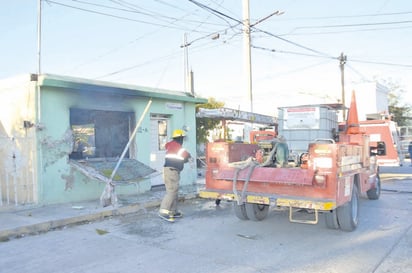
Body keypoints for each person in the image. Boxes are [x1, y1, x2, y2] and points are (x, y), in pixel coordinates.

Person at [158, 129, 192, 222]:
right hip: (171, 171)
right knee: (172, 191)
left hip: (173, 171)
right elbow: (185, 154)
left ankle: (173, 211)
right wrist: (189, 157)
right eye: (182, 138)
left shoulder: (172, 146)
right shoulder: (177, 147)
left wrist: (185, 159)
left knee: (174, 192)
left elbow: (180, 158)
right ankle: (164, 211)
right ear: (179, 138)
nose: (183, 140)